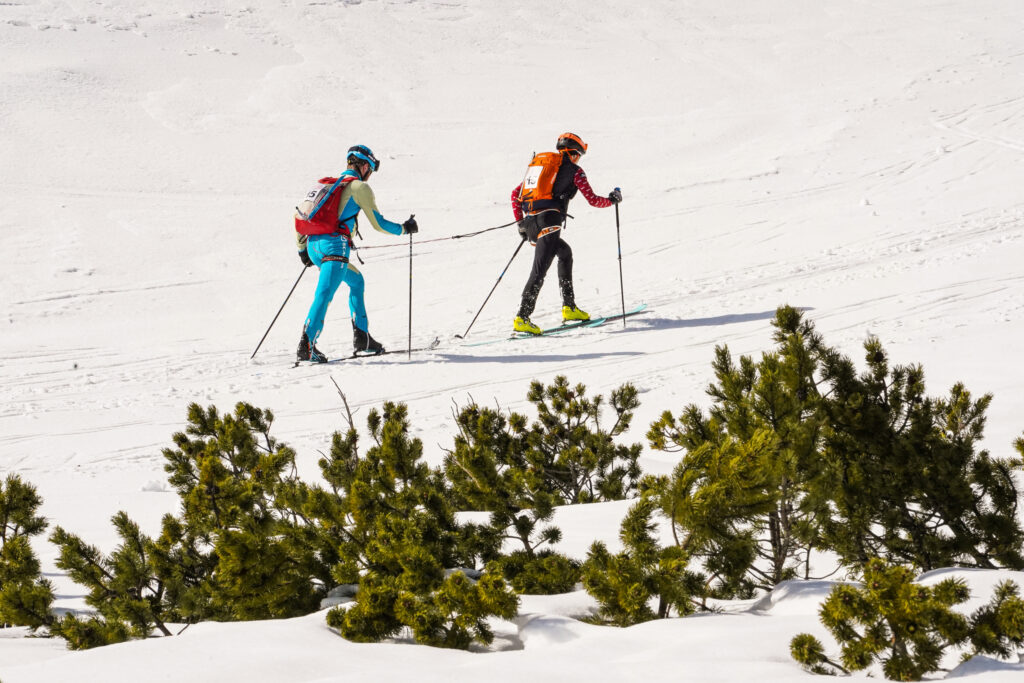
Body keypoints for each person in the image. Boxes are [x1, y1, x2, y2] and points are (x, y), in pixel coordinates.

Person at [294, 145, 418, 363]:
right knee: (324, 293)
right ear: (364, 166)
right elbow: (378, 224)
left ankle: (363, 339)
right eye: (371, 169)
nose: (370, 175)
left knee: (356, 281)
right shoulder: (359, 187)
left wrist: (303, 250)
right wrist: (404, 229)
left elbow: (301, 214)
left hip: (314, 246)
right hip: (335, 248)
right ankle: (307, 345)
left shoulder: (327, 185)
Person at [510, 132, 622, 335]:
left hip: (531, 223)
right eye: (579, 155)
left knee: (565, 253)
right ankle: (522, 318)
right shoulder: (575, 171)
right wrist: (612, 200)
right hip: (549, 223)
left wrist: (521, 225)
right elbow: (593, 200)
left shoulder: (541, 168)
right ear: (574, 153)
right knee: (539, 270)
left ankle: (569, 307)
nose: (578, 160)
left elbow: (514, 195)